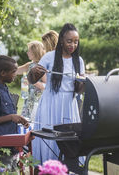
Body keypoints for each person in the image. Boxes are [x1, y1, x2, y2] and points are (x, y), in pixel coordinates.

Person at [30, 23, 85, 165]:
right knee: (50, 139)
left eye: (76, 41)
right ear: (61, 40)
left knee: (67, 141)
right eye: (69, 41)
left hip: (69, 104)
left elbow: (79, 89)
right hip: (50, 103)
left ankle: (67, 169)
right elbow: (32, 79)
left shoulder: (78, 60)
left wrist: (83, 84)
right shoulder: (49, 57)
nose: (73, 44)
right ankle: (48, 169)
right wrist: (33, 73)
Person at [0, 55, 29, 169]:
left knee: (13, 169)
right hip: (1, 144)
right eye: (13, 71)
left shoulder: (4, 88)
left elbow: (7, 113)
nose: (16, 74)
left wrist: (19, 119)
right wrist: (11, 117)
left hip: (10, 141)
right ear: (3, 73)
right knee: (3, 169)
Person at [16, 41, 46, 121]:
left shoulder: (41, 66)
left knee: (35, 123)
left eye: (29, 50)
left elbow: (46, 86)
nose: (27, 52)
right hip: (28, 100)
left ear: (35, 52)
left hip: (38, 101)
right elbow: (16, 70)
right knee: (25, 122)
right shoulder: (30, 65)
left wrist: (32, 81)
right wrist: (2, 64)